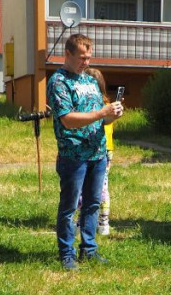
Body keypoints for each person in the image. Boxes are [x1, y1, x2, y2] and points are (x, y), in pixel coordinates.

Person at [47, 34, 123, 270]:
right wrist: (102, 113)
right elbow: (68, 119)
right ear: (67, 54)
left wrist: (112, 115)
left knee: (92, 204)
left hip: (98, 153)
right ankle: (67, 253)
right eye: (81, 57)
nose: (86, 62)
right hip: (73, 155)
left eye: (89, 57)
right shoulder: (58, 81)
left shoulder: (90, 81)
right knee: (70, 207)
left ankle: (89, 250)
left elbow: (101, 118)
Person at [86, 68, 116, 236]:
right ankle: (101, 221)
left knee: (97, 186)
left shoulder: (99, 107)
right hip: (105, 149)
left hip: (101, 149)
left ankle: (101, 221)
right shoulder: (106, 105)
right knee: (100, 186)